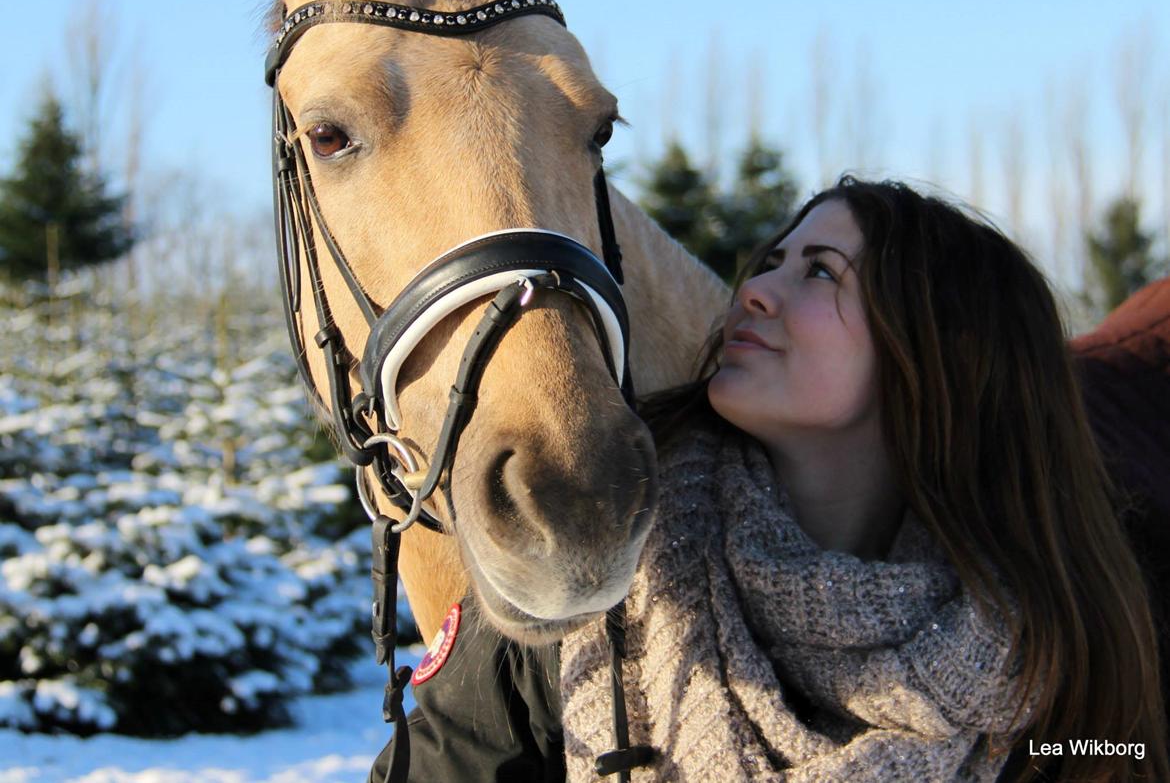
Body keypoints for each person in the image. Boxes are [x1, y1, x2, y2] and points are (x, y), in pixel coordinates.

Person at [375, 177, 1167, 782]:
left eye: (820, 273)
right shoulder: (603, 579)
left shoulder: (1057, 645)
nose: (755, 288)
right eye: (776, 259)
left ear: (938, 355)